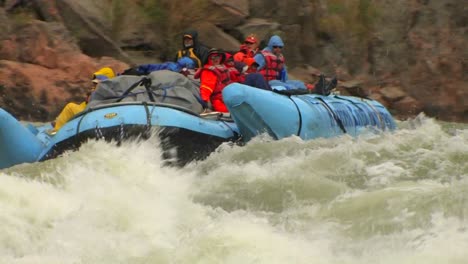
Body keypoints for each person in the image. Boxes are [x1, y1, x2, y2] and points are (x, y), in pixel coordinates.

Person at [51, 67, 115, 132]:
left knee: (70, 107)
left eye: (96, 83)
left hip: (93, 114)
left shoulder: (102, 91)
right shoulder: (112, 90)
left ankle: (56, 132)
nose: (94, 84)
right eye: (95, 83)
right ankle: (60, 122)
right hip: (91, 113)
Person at [194, 49, 233, 113]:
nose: (216, 59)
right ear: (208, 59)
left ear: (221, 58)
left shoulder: (222, 67)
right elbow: (206, 87)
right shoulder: (209, 71)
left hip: (228, 97)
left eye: (218, 57)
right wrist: (205, 101)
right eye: (212, 57)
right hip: (217, 100)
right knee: (229, 111)